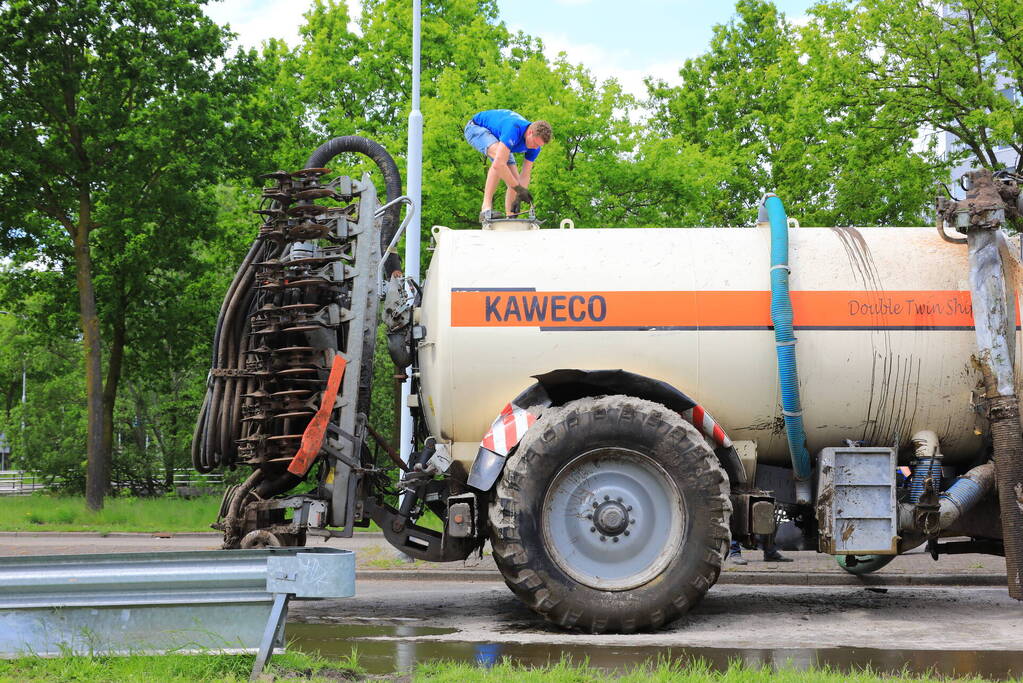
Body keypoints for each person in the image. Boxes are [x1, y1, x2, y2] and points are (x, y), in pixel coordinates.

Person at [463, 109, 552, 222]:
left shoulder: (535, 147)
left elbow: (525, 175)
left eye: (539, 145)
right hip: (476, 128)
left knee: (514, 179)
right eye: (535, 143)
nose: (535, 147)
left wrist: (518, 197)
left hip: (500, 139)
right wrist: (519, 188)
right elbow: (498, 165)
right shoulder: (513, 129)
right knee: (499, 160)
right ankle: (485, 210)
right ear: (530, 132)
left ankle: (511, 216)